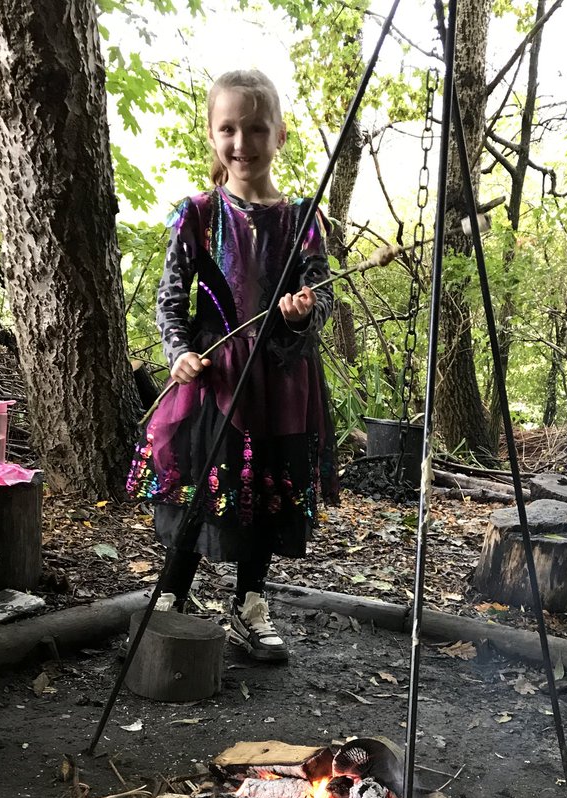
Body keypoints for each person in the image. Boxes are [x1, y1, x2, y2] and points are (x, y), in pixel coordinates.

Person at [127, 68, 338, 663]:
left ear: (280, 136)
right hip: (215, 375)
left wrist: (301, 313)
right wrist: (179, 354)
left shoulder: (303, 220)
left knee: (264, 487)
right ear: (212, 135)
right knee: (200, 481)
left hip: (280, 380)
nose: (242, 142)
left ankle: (251, 601)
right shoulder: (195, 214)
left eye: (256, 128)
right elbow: (171, 299)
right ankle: (172, 595)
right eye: (229, 129)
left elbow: (321, 297)